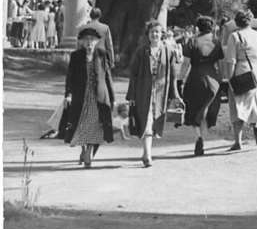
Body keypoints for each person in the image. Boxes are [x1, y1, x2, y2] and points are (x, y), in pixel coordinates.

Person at [58, 24, 115, 168]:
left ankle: (89, 152)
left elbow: (107, 76)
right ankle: (83, 149)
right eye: (86, 40)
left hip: (98, 97)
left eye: (92, 40)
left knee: (95, 124)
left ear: (97, 41)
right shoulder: (76, 56)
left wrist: (112, 96)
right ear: (82, 42)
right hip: (80, 96)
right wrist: (68, 95)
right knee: (80, 124)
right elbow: (70, 77)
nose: (89, 43)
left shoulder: (102, 54)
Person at [127, 19, 180, 167]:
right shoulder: (141, 51)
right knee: (147, 120)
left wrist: (174, 94)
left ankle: (146, 152)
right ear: (148, 34)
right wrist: (131, 95)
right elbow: (134, 74)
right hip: (143, 91)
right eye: (152, 32)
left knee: (155, 121)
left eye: (157, 32)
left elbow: (173, 74)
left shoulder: (168, 51)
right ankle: (148, 155)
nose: (155, 35)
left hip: (160, 92)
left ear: (161, 34)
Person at [223, 9, 257, 151]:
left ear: (237, 22)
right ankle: (256, 124)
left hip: (242, 71)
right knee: (256, 102)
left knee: (238, 105)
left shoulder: (235, 36)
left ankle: (237, 141)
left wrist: (230, 79)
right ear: (250, 20)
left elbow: (231, 60)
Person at [180, 16, 225, 156]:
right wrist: (221, 80)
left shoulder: (192, 41)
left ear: (198, 27)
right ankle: (205, 133)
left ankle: (199, 137)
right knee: (208, 108)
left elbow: (186, 63)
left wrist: (180, 80)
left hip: (196, 78)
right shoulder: (217, 42)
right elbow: (221, 65)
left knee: (194, 108)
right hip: (213, 79)